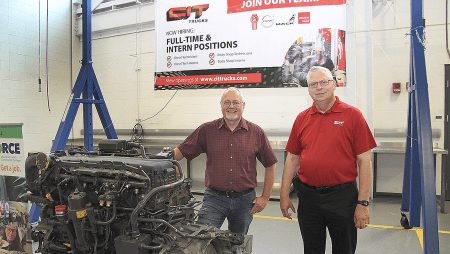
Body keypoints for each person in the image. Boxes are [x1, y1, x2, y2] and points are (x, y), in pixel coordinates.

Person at [279, 66, 377, 254]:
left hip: (342, 197)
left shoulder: (352, 115)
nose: (319, 87)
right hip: (308, 199)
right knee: (312, 249)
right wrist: (284, 196)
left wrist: (363, 203)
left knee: (344, 249)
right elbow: (292, 159)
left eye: (324, 82)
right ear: (308, 89)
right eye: (313, 84)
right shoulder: (302, 118)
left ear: (334, 84)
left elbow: (365, 161)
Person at [173, 87, 278, 235]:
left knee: (237, 243)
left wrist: (265, 197)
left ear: (243, 105)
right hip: (214, 199)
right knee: (201, 238)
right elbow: (181, 151)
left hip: (245, 200)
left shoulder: (256, 132)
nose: (231, 106)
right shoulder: (206, 130)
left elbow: (270, 165)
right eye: (227, 102)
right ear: (221, 105)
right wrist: (166, 160)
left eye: (236, 102)